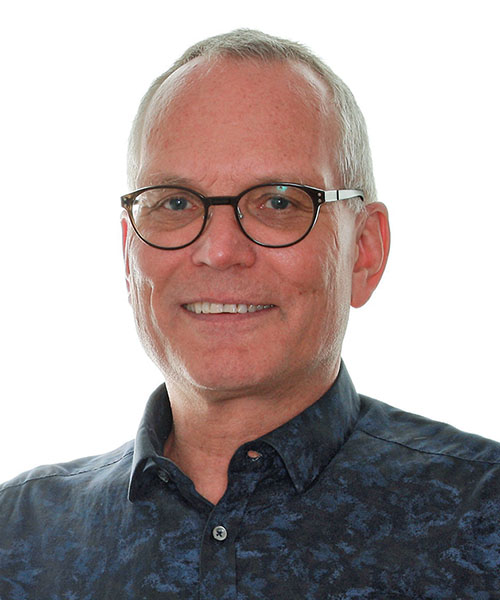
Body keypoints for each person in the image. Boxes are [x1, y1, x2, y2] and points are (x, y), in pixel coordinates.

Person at [1, 29, 498, 599]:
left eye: (278, 202)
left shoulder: (484, 518)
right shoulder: (19, 538)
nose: (219, 251)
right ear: (128, 252)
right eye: (175, 203)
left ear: (364, 251)